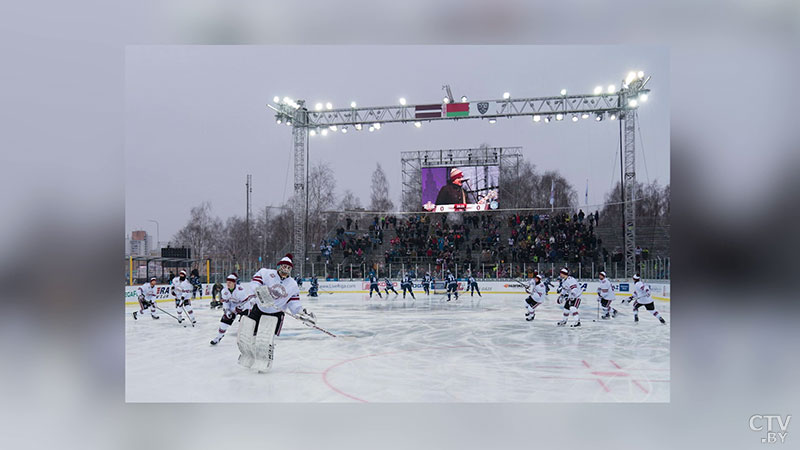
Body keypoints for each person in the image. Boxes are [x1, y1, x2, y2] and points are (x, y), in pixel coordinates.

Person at [238, 254, 316, 372]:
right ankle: (250, 357)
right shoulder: (266, 273)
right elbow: (254, 283)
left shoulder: (292, 284)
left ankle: (266, 361)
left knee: (266, 340)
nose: (286, 269)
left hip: (276, 314)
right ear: (279, 266)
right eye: (284, 267)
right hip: (259, 309)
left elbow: (293, 302)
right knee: (250, 336)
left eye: (289, 268)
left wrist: (301, 312)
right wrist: (259, 291)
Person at [210, 273, 254, 345]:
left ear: (234, 283)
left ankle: (249, 340)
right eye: (227, 282)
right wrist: (227, 310)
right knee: (224, 322)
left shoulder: (240, 291)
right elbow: (226, 302)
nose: (228, 284)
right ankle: (218, 337)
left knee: (246, 323)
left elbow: (245, 302)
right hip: (233, 307)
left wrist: (240, 308)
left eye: (230, 282)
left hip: (244, 307)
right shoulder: (224, 291)